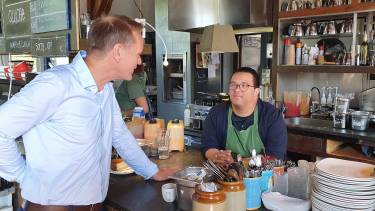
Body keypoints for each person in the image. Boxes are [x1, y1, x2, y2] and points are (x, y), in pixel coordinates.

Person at [0, 15, 174, 210]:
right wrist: (24, 177)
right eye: (137, 53)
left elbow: (120, 135)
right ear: (117, 52)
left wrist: (151, 171)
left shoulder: (105, 89)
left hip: (93, 205)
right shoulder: (56, 84)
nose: (139, 60)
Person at [201, 67, 288, 168]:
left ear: (256, 91)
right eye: (233, 85)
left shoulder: (271, 116)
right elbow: (208, 146)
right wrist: (218, 156)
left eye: (244, 86)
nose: (237, 89)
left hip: (262, 178)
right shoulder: (216, 113)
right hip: (227, 176)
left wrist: (236, 163)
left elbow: (275, 156)